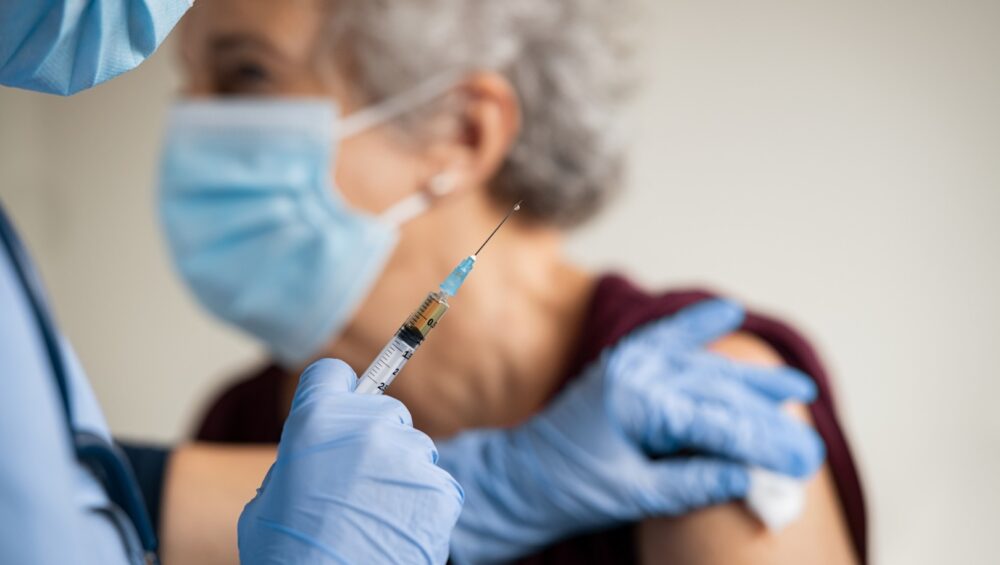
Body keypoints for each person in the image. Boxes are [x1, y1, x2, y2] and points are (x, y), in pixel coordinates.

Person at [0, 2, 833, 565]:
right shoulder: (255, 421)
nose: (193, 122)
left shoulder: (696, 400)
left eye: (246, 74)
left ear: (464, 132)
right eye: (194, 83)